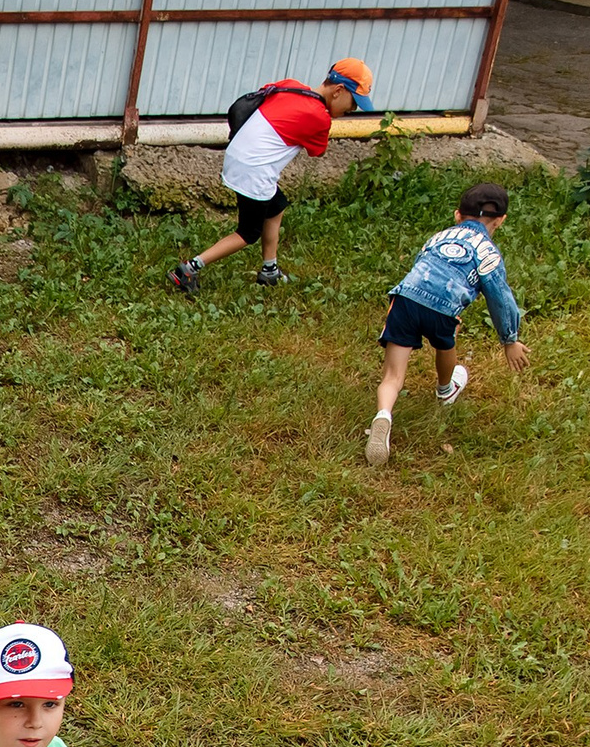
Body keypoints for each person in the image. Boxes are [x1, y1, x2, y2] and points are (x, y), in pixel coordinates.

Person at [167, 58, 377, 293]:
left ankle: (270, 271)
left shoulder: (292, 86)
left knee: (276, 206)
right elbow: (317, 151)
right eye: (353, 103)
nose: (352, 110)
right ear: (338, 91)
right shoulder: (319, 118)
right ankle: (188, 269)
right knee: (248, 233)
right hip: (254, 172)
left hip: (237, 156)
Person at [366, 182, 529, 467]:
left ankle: (383, 416)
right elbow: (501, 299)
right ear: (501, 220)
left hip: (405, 299)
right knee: (445, 339)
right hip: (443, 309)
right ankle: (445, 389)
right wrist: (509, 339)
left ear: (457, 215)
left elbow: (421, 267)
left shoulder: (439, 237)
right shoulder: (488, 253)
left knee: (392, 376)